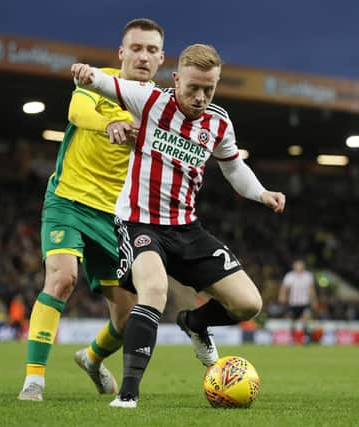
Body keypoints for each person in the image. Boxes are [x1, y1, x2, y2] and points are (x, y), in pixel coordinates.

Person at [72, 43, 286, 408]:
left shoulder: (219, 122)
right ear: (176, 80)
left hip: (186, 228)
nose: (201, 97)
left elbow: (233, 168)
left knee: (249, 304)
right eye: (194, 88)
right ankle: (128, 393)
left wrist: (262, 193)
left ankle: (195, 323)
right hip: (139, 222)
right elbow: (110, 86)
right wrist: (88, 75)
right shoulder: (152, 101)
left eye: (209, 89)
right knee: (154, 290)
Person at [17, 18, 166, 401]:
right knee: (63, 279)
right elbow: (76, 112)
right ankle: (34, 380)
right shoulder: (98, 81)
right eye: (136, 48)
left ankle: (92, 358)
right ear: (122, 53)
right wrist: (111, 120)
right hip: (68, 199)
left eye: (151, 50)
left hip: (116, 217)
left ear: (162, 59)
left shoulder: (160, 109)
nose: (143, 56)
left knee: (127, 313)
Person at [278, 259, 317, 343]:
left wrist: (314, 300)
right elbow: (284, 288)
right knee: (293, 321)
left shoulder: (308, 276)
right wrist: (282, 296)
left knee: (306, 320)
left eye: (300, 265)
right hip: (293, 303)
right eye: (297, 265)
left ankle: (306, 338)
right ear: (294, 267)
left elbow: (311, 289)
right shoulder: (290, 276)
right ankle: (292, 338)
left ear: (303, 267)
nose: (298, 267)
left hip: (305, 303)